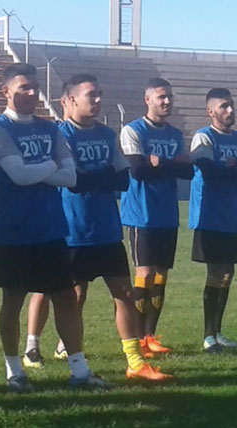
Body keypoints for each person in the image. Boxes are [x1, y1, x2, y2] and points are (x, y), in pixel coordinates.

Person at [22, 74, 172, 381]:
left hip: (107, 229)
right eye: (92, 95)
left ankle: (134, 361)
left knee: (125, 293)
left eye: (100, 94)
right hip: (73, 231)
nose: (98, 100)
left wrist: (93, 177)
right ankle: (72, 357)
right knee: (73, 297)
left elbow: (122, 178)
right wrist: (96, 176)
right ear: (71, 100)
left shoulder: (106, 134)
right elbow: (72, 181)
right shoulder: (59, 135)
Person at [0, 63, 109, 392]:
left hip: (52, 228)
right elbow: (18, 176)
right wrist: (51, 165)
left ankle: (79, 371)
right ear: (6, 92)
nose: (31, 93)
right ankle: (14, 370)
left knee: (66, 298)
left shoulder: (50, 128)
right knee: (13, 301)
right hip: (14, 231)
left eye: (35, 87)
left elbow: (69, 178)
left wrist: (38, 168)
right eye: (23, 87)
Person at [120, 78, 193, 357]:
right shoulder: (133, 130)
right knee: (145, 274)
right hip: (141, 214)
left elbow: (188, 172)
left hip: (166, 214)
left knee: (161, 276)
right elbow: (137, 170)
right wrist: (172, 165)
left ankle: (150, 335)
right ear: (147, 99)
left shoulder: (174, 134)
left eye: (170, 97)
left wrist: (160, 162)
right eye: (161, 97)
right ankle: (137, 337)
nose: (167, 102)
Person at [188, 88, 237, 352]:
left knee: (227, 273)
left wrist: (235, 171)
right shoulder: (204, 137)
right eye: (224, 106)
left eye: (231, 105)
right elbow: (209, 172)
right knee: (215, 272)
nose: (230, 111)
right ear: (211, 111)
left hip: (233, 217)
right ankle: (208, 335)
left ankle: (218, 332)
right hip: (210, 216)